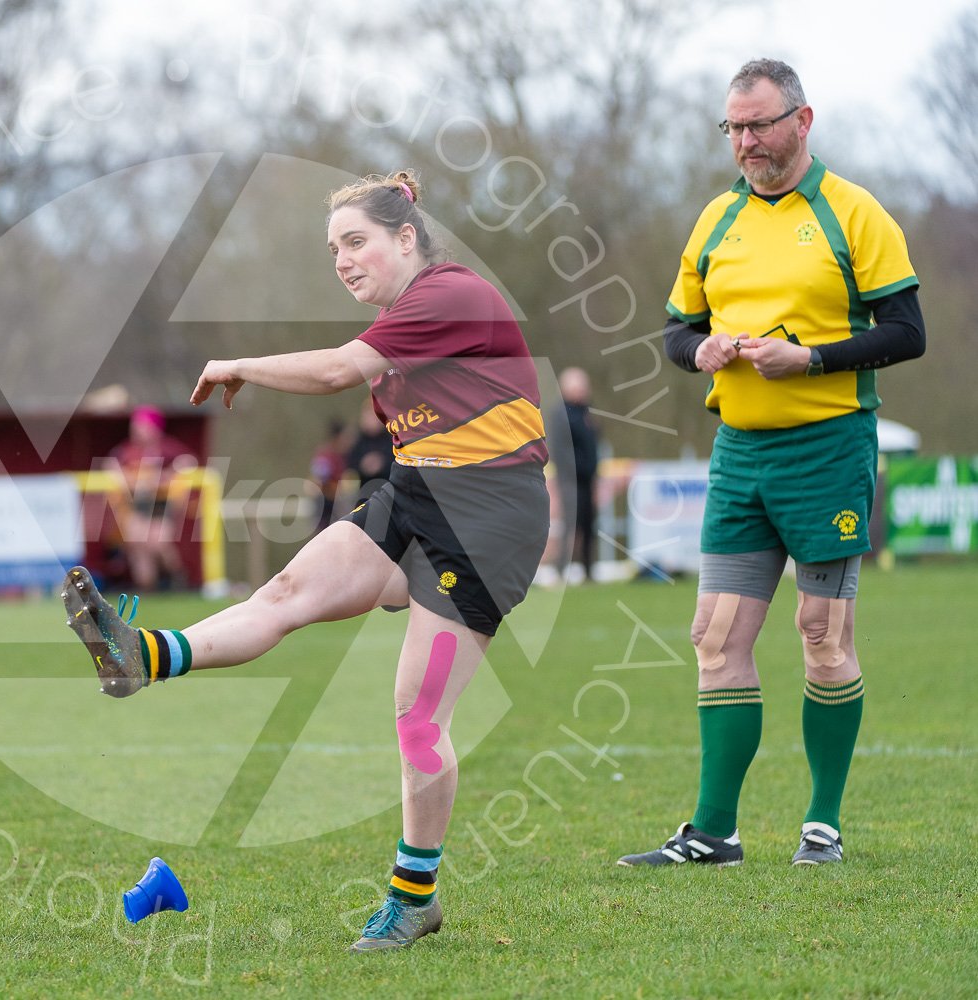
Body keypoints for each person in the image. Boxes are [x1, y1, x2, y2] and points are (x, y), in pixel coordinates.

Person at [63, 170, 548, 951]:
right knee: (287, 590)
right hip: (418, 493)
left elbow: (332, 371)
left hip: (490, 520)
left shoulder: (448, 293)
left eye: (356, 242)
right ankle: (142, 655)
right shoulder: (403, 317)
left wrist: (240, 366)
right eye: (333, 250)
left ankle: (414, 896)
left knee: (418, 716)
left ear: (407, 237)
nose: (343, 261)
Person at [618, 60, 925, 869]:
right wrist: (702, 351)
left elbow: (907, 331)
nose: (746, 141)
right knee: (715, 637)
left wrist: (813, 360)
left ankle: (822, 823)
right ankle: (714, 832)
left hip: (828, 449)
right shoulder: (714, 220)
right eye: (734, 128)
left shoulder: (854, 213)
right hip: (739, 454)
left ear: (803, 120)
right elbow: (676, 333)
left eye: (759, 124)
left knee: (821, 633)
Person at [106, 405, 196, 592]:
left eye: (142, 425)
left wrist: (164, 477)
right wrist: (128, 480)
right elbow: (110, 466)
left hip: (161, 504)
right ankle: (147, 587)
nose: (137, 430)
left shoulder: (168, 448)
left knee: (158, 543)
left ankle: (177, 578)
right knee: (137, 544)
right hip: (137, 504)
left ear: (154, 428)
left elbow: (189, 464)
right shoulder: (127, 451)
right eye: (135, 426)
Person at [548, 367, 600, 582]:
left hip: (589, 478)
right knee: (571, 525)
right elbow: (559, 449)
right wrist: (571, 472)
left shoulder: (587, 413)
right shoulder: (560, 415)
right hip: (570, 479)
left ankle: (589, 571)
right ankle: (561, 571)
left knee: (589, 524)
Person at [344, 395, 395, 500]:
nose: (370, 419)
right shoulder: (357, 440)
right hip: (364, 495)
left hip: (389, 493)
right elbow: (349, 467)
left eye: (373, 416)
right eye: (367, 415)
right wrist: (363, 466)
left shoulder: (392, 438)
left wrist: (381, 464)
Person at [309, 418, 351, 533]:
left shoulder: (343, 455)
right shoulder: (325, 456)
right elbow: (318, 480)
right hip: (326, 506)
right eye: (345, 436)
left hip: (336, 504)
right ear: (338, 437)